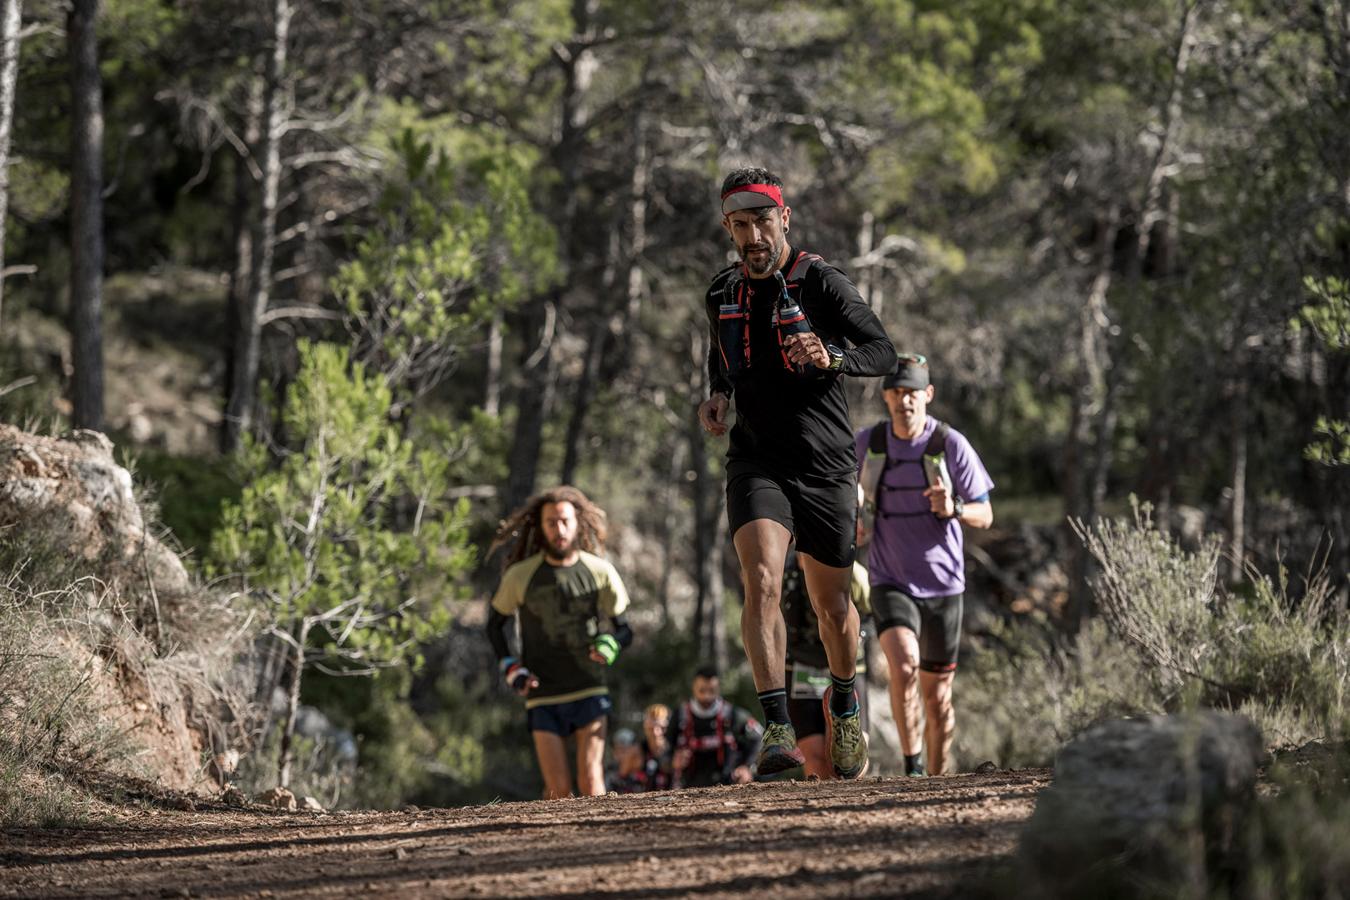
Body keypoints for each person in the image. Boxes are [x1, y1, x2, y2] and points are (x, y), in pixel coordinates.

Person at [697, 166, 895, 779]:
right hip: (757, 461)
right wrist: (717, 397)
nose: (752, 235)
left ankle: (844, 698)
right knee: (759, 578)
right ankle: (777, 724)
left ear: (784, 219)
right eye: (739, 224)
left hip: (827, 465)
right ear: (728, 229)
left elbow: (881, 351)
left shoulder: (822, 282)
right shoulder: (722, 292)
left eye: (762, 221)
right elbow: (722, 362)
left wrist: (833, 355)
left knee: (832, 606)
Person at [855, 353, 994, 776]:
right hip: (889, 578)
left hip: (944, 585)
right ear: (886, 398)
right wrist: (854, 519)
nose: (904, 402)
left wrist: (953, 508)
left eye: (912, 393)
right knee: (903, 667)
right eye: (896, 393)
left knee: (937, 696)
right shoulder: (868, 444)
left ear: (928, 395)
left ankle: (937, 774)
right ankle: (912, 767)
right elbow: (841, 493)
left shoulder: (949, 444)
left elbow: (986, 515)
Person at [486, 485, 634, 799]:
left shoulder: (600, 572)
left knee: (592, 782)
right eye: (551, 522)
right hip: (543, 693)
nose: (559, 529)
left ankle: (603, 845)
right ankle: (557, 848)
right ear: (540, 527)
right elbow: (495, 625)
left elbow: (625, 629)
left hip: (589, 687)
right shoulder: (520, 576)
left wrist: (611, 644)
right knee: (557, 791)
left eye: (565, 521)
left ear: (578, 523)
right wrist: (510, 667)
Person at [781, 511, 872, 779]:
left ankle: (853, 804)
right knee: (815, 757)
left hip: (846, 667)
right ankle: (822, 811)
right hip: (801, 666)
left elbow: (868, 614)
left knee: (850, 761)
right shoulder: (784, 573)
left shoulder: (849, 572)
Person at [668, 665, 763, 788]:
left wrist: (746, 767)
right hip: (687, 787)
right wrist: (672, 760)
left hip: (728, 784)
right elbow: (665, 745)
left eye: (712, 691)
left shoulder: (733, 714)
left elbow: (758, 737)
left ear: (718, 689)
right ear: (694, 688)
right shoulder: (680, 715)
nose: (706, 696)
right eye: (702, 690)